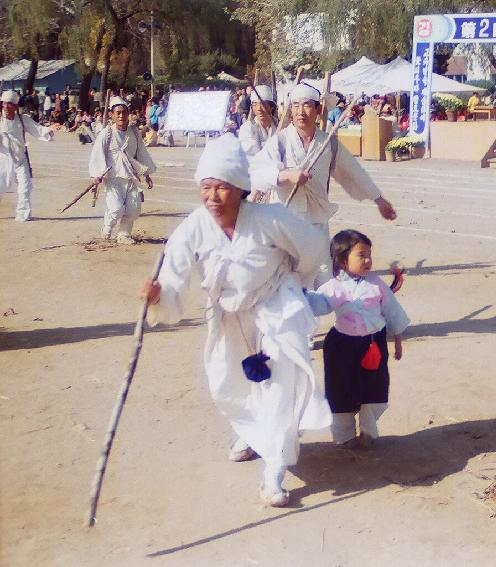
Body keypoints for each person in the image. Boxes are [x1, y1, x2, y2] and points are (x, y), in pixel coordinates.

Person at [140, 135, 330, 507]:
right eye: (206, 187)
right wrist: (158, 295)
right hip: (227, 315)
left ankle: (274, 467)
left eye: (222, 188)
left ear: (240, 189)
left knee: (278, 384)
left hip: (276, 307)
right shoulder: (193, 227)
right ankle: (253, 434)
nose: (212, 196)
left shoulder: (270, 218)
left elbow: (311, 250)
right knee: (227, 382)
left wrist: (295, 284)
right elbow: (174, 277)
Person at [251, 82, 398, 285]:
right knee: (285, 283)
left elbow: (353, 172)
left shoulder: (328, 143)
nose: (300, 111)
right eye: (295, 106)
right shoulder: (280, 141)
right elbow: (257, 172)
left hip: (316, 223)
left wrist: (379, 199)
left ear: (318, 109)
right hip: (284, 221)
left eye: (307, 105)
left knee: (323, 281)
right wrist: (286, 176)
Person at [306, 229, 409, 448]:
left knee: (374, 388)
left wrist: (397, 337)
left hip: (374, 344)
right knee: (340, 389)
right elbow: (316, 305)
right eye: (361, 255)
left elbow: (392, 310)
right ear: (343, 260)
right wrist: (295, 293)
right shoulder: (333, 288)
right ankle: (344, 437)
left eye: (369, 254)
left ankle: (369, 433)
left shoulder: (377, 284)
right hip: (342, 347)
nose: (368, 260)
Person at [89, 96, 156, 243]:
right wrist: (97, 174)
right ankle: (107, 227)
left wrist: (146, 174)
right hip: (113, 177)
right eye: (117, 113)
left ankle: (124, 234)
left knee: (133, 209)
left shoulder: (134, 133)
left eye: (124, 112)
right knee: (116, 209)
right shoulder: (106, 133)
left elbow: (141, 153)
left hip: (131, 176)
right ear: (111, 115)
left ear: (128, 113)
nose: (121, 116)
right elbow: (97, 154)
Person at [0, 90, 55, 220]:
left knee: (25, 186)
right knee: (1, 186)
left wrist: (50, 130)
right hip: (3, 160)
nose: (7, 107)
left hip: (20, 159)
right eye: (4, 104)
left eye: (10, 104)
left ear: (15, 105)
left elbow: (38, 130)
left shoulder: (23, 119)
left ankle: (23, 215)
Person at [238, 85, 277, 157]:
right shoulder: (247, 128)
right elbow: (252, 153)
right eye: (255, 104)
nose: (259, 108)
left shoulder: (279, 126)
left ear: (271, 107)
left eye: (263, 104)